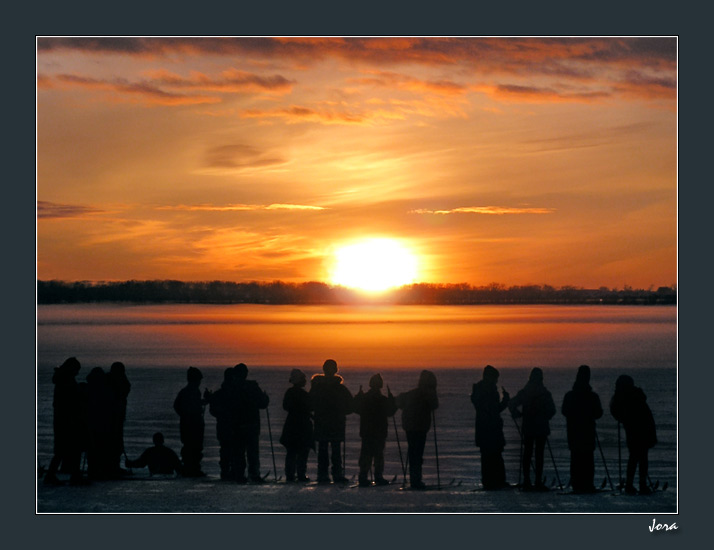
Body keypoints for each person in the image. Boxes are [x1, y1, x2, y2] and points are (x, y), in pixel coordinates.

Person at [509, 367, 556, 491]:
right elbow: (552, 410)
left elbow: (512, 403)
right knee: (539, 454)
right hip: (541, 427)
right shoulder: (544, 393)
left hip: (529, 427)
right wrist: (545, 415)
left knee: (527, 454)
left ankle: (527, 481)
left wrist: (517, 414)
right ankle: (538, 481)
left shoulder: (525, 392)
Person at [610, 374, 657, 495]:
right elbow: (617, 411)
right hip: (640, 428)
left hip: (635, 429)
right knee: (640, 457)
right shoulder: (632, 395)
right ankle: (638, 484)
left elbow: (616, 411)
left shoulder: (622, 396)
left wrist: (622, 418)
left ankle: (634, 484)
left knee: (636, 457)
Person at [309, 359, 354, 483]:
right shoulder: (340, 389)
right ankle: (336, 475)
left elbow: (310, 404)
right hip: (335, 423)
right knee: (335, 450)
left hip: (323, 422)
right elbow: (350, 406)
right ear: (335, 370)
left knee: (324, 450)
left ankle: (323, 475)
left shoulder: (317, 387)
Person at [561, 365, 603, 493]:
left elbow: (565, 411)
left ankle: (577, 483)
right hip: (587, 431)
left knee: (576, 459)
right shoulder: (592, 396)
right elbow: (598, 413)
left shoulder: (570, 395)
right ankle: (587, 483)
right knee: (587, 459)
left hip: (574, 431)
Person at [44, 357, 85, 486]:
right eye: (76, 370)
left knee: (63, 450)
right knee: (72, 449)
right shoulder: (66, 381)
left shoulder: (63, 380)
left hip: (63, 419)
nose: (77, 373)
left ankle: (57, 475)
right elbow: (70, 401)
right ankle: (73, 476)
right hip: (68, 420)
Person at [396, 370, 439, 490]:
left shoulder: (413, 393)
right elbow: (435, 405)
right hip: (419, 427)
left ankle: (414, 479)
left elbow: (399, 402)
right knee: (417, 453)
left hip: (410, 427)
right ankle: (416, 480)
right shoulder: (427, 394)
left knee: (413, 452)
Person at [353, 373, 397, 487]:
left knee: (366, 454)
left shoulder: (365, 399)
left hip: (367, 431)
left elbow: (356, 409)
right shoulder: (382, 399)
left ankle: (363, 476)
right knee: (378, 454)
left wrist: (358, 397)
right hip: (379, 431)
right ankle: (378, 477)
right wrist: (392, 400)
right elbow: (390, 412)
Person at [470, 365, 510, 490]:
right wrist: (505, 401)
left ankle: (491, 481)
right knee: (494, 456)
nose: (497, 381)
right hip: (490, 428)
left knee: (489, 456)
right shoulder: (487, 391)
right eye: (495, 378)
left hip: (486, 428)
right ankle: (495, 481)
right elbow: (494, 410)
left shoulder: (480, 390)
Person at [232, 363, 270, 483]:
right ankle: (254, 474)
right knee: (252, 451)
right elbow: (262, 404)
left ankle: (239, 474)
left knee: (239, 451)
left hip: (238, 424)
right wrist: (265, 398)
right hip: (252, 424)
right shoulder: (253, 387)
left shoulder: (233, 388)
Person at [173, 367, 209, 477]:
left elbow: (178, 406)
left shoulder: (186, 392)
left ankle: (191, 468)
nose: (199, 383)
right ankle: (192, 469)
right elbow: (180, 406)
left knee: (191, 447)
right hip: (193, 424)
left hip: (189, 423)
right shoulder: (191, 392)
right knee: (193, 447)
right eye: (198, 380)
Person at [279, 369, 314, 482]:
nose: (305, 381)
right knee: (302, 451)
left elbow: (285, 406)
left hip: (291, 425)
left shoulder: (290, 392)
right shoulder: (303, 394)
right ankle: (300, 474)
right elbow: (311, 406)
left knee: (292, 452)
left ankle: (290, 474)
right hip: (302, 426)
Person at [208, 367, 240, 480]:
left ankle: (226, 471)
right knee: (232, 449)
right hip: (231, 425)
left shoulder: (220, 394)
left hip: (224, 425)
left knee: (226, 450)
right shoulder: (236, 393)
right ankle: (230, 471)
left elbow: (213, 410)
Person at [107, 361, 131, 476]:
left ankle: (113, 465)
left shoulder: (109, 381)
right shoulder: (115, 382)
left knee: (115, 442)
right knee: (115, 442)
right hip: (113, 417)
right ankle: (113, 466)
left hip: (114, 416)